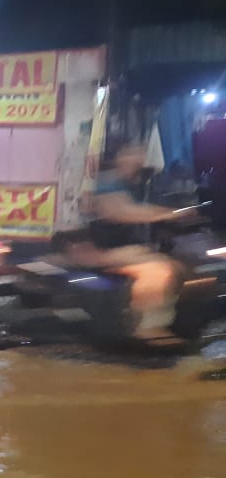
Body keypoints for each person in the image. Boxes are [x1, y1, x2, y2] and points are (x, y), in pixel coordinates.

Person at [72, 144, 183, 341]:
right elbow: (122, 212)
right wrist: (170, 213)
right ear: (119, 159)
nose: (134, 161)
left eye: (138, 156)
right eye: (130, 155)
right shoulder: (107, 182)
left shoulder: (137, 183)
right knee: (158, 270)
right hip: (96, 249)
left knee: (176, 266)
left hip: (118, 247)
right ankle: (148, 328)